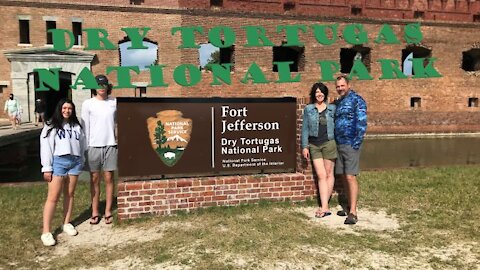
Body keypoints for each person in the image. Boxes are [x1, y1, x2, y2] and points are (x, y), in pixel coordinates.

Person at [40, 99, 86, 246]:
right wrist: (47, 167)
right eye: (64, 108)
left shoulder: (76, 126)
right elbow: (46, 146)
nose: (67, 111)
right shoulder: (51, 125)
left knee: (70, 194)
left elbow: (82, 144)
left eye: (70, 108)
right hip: (58, 162)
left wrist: (82, 159)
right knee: (53, 197)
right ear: (60, 109)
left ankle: (66, 223)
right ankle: (46, 232)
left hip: (75, 162)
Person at [81, 74, 117, 225]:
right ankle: (95, 211)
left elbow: (119, 122)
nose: (101, 88)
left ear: (107, 86)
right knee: (94, 179)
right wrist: (85, 148)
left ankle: (108, 210)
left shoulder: (114, 102)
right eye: (98, 85)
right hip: (93, 146)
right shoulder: (88, 104)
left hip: (110, 145)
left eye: (103, 85)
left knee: (109, 178)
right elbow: (85, 127)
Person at [334, 75, 367, 225]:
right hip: (339, 143)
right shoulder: (339, 102)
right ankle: (348, 206)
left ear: (348, 85)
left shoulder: (357, 100)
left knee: (350, 176)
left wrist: (356, 142)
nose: (340, 88)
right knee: (342, 176)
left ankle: (353, 212)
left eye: (342, 85)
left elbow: (362, 122)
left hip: (350, 144)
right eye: (338, 86)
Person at [301, 82, 337, 218]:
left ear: (325, 93)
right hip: (314, 145)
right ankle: (324, 206)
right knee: (321, 175)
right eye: (316, 92)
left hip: (329, 143)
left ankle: (324, 207)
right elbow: (304, 128)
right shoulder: (309, 109)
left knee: (329, 173)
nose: (319, 94)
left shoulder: (332, 109)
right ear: (313, 94)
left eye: (321, 92)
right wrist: (305, 146)